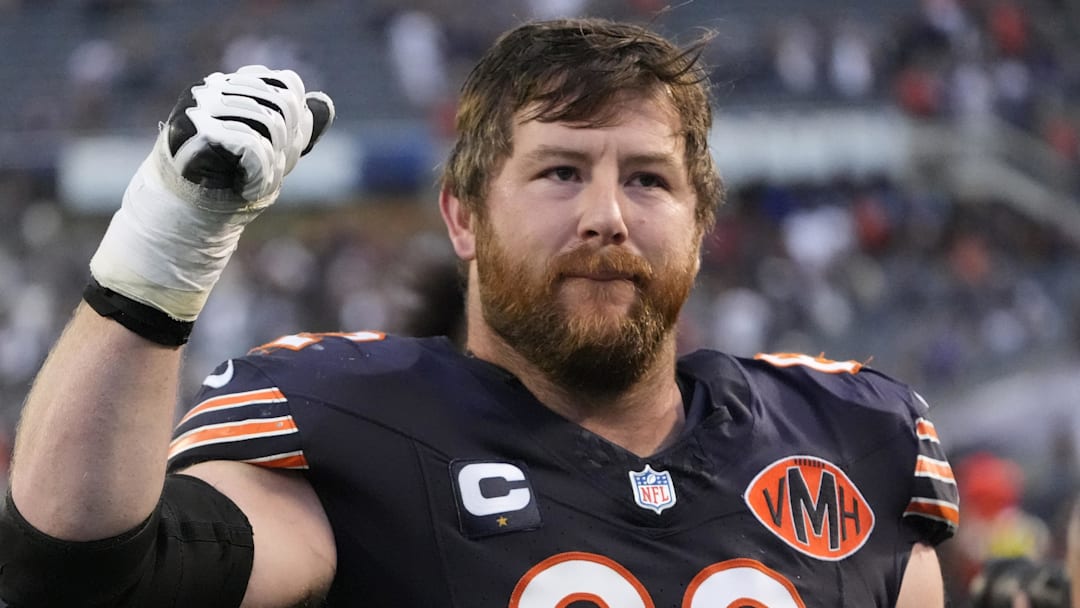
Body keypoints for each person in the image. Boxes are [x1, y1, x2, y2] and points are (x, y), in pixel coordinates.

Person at [0, 18, 959, 607]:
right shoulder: (355, 427)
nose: (606, 216)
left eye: (649, 180)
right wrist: (163, 248)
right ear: (463, 217)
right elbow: (83, 571)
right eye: (559, 172)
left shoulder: (854, 441)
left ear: (702, 223)